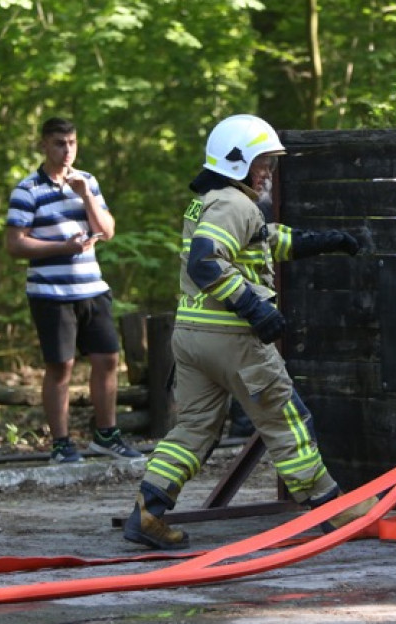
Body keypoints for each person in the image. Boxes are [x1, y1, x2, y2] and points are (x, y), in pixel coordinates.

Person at [122, 114, 378, 549]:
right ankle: (331, 506)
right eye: (263, 164)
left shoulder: (211, 201)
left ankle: (149, 510)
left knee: (194, 428)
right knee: (285, 417)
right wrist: (254, 308)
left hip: (192, 338)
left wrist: (322, 241)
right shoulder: (234, 203)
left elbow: (260, 241)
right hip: (234, 339)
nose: (268, 174)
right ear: (237, 161)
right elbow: (208, 261)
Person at [5, 117, 142, 464]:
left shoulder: (88, 182)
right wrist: (61, 247)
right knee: (60, 367)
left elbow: (107, 231)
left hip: (92, 288)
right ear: (43, 146)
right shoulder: (27, 190)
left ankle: (106, 436)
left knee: (108, 359)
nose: (67, 151)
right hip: (51, 293)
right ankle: (62, 444)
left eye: (72, 143)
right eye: (59, 144)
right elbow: (15, 244)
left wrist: (86, 197)